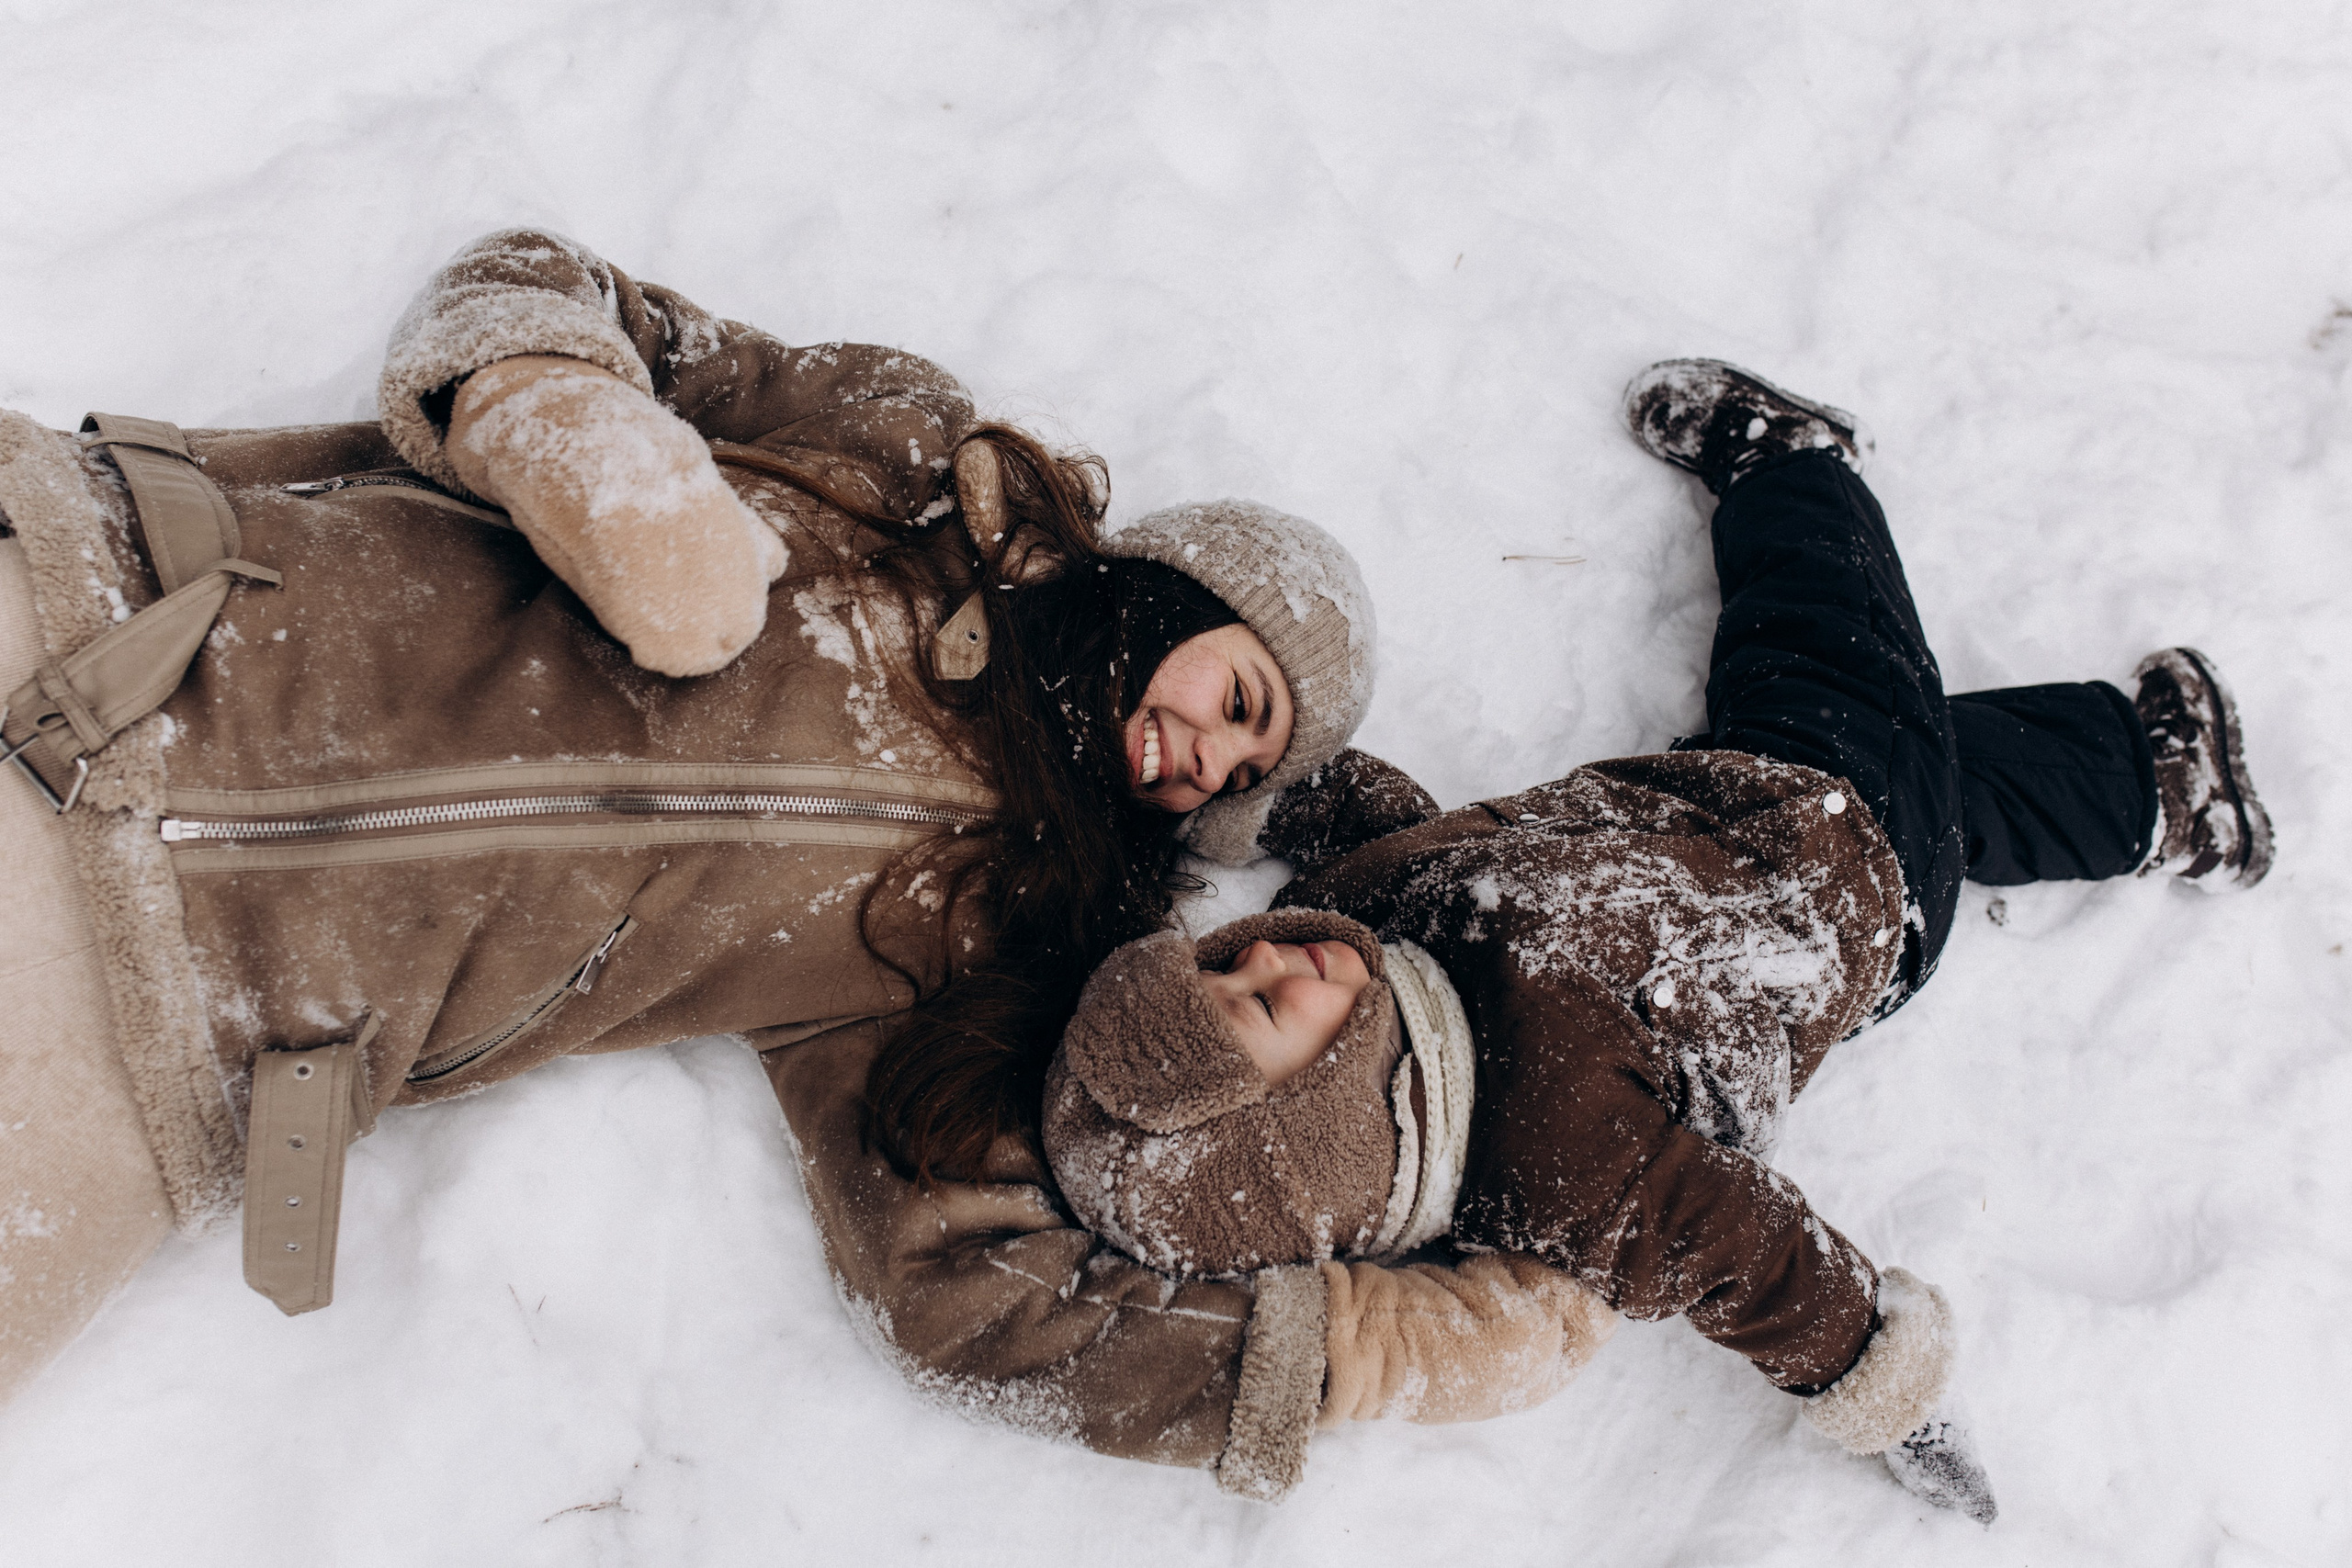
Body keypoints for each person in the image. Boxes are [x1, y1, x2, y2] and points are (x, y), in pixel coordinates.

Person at [0, 228, 1589, 1500]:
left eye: (1239, 777)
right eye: (1234, 700)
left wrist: (1369, 1353)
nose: (1201, 762)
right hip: (114, 624)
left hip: (158, 1037)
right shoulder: (913, 471)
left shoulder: (993, 941)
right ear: (1182, 590)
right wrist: (568, 429)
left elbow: (975, 1301)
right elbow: (552, 283)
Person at [1040, 359, 2275, 1519]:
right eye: (1263, 1007)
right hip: (1841, 878)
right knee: (1824, 641)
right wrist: (1879, 1378)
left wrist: (1245, 804)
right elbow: (1744, 1248)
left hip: (1708, 813)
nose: (1269, 957)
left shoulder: (1363, 931)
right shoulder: (1556, 1152)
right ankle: (1794, 464)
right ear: (1315, 1129)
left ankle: (2166, 790)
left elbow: (1395, 828)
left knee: (1947, 769)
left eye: (1225, 960)